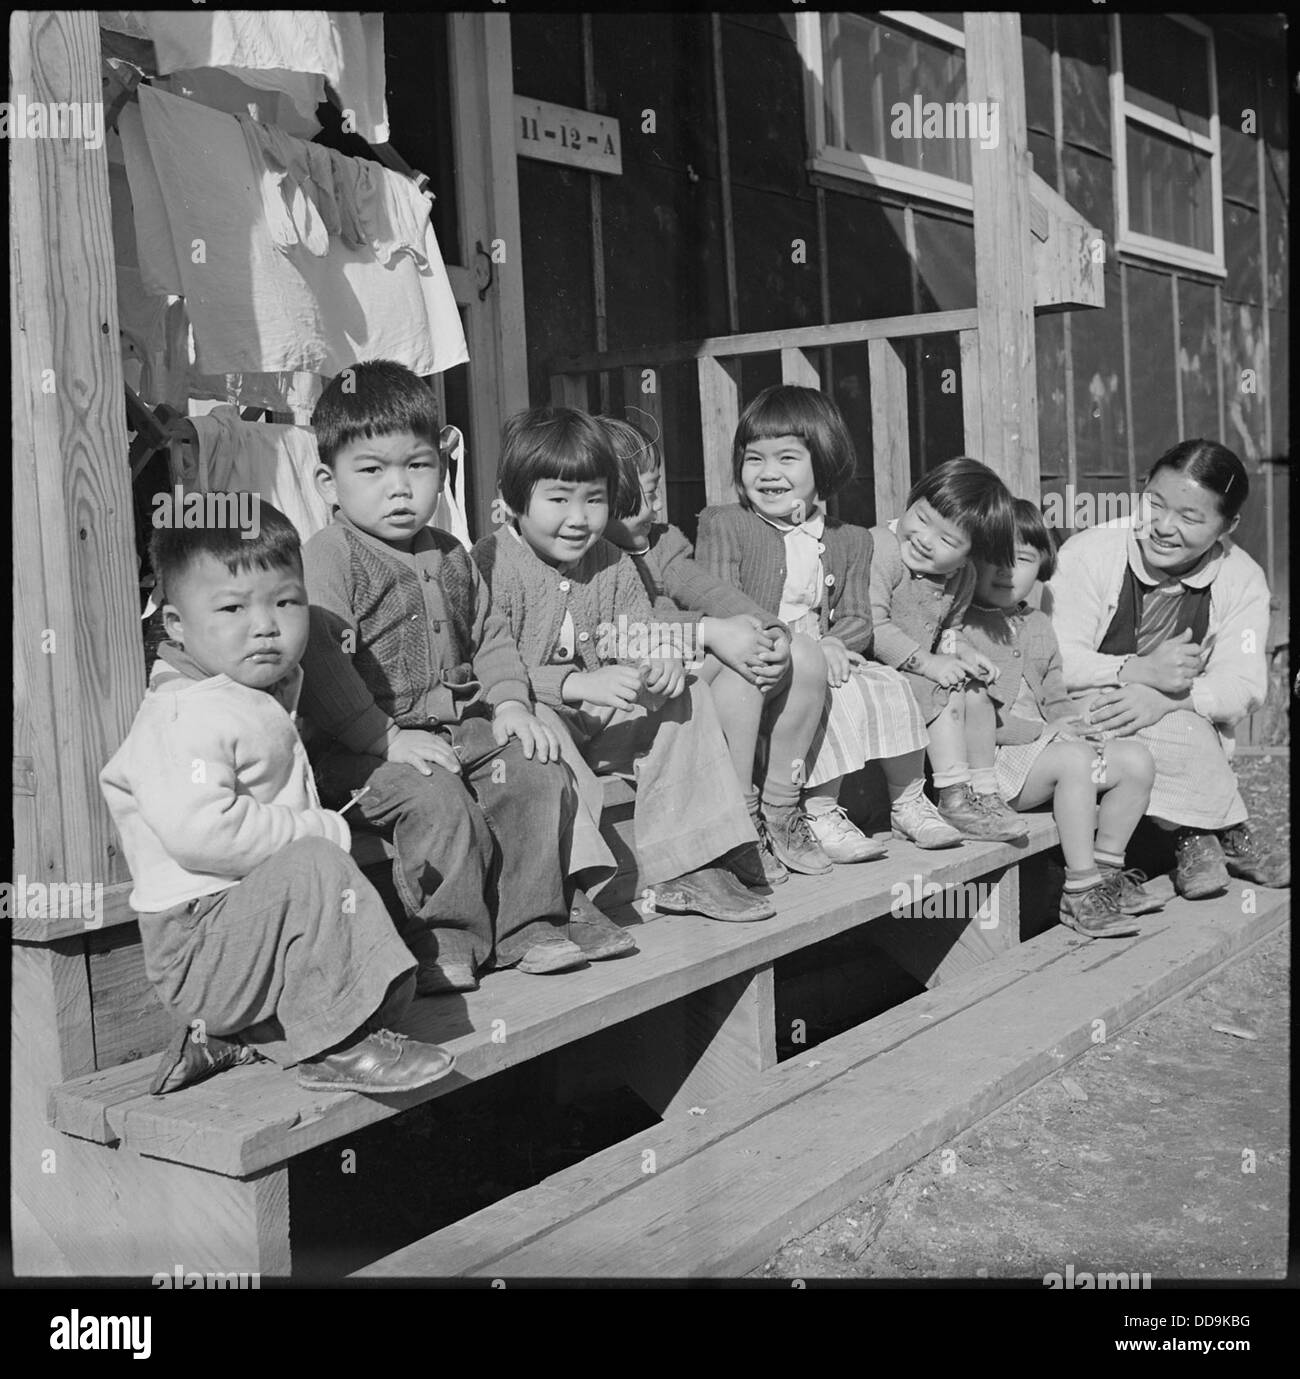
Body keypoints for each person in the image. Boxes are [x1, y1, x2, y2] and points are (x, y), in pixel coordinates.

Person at [298, 361, 633, 996]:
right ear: (327, 481)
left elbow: (490, 638)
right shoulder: (330, 555)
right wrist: (383, 738)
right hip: (355, 753)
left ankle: (530, 923)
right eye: (371, 470)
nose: (399, 490)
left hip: (456, 731)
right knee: (437, 799)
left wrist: (510, 704)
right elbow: (322, 660)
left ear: (442, 465)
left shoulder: (450, 550)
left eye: (417, 467)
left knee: (534, 770)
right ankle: (445, 936)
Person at [99, 501, 456, 1096]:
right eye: (233, 607)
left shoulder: (244, 690)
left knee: (380, 963)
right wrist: (321, 832)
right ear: (176, 625)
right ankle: (333, 1047)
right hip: (197, 947)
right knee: (317, 862)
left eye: (285, 603)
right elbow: (203, 831)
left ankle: (239, 1035)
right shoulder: (184, 714)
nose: (264, 625)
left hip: (244, 939)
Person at [472, 405, 776, 923]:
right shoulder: (491, 564)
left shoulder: (611, 561)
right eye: (558, 499)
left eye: (594, 500)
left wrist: (658, 660)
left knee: (686, 695)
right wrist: (574, 684)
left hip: (602, 718)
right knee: (537, 729)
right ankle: (572, 887)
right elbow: (488, 664)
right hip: (539, 714)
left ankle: (693, 865)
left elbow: (637, 627)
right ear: (513, 502)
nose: (578, 517)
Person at [695, 385, 933, 866]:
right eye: (754, 459)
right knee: (810, 666)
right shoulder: (726, 523)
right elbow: (719, 601)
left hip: (812, 656)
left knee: (881, 682)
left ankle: (896, 802)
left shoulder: (849, 540)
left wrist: (830, 641)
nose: (768, 473)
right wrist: (795, 643)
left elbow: (857, 620)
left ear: (822, 462)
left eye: (787, 458)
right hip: (748, 658)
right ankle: (780, 812)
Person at [1046, 439, 1289, 899]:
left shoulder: (1242, 579)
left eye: (1190, 518)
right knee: (1154, 716)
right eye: (1154, 504)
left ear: (1228, 525)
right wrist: (1136, 671)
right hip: (1087, 710)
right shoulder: (1090, 553)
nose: (1162, 526)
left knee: (1180, 715)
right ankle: (1213, 832)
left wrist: (1165, 698)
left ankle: (1201, 835)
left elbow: (1245, 686)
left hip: (1174, 720)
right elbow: (1057, 661)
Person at [600, 413, 794, 884]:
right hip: (628, 700)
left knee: (748, 663)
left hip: (672, 686)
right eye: (641, 498)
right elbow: (621, 631)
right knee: (727, 663)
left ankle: (745, 812)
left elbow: (706, 589)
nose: (657, 505)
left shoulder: (660, 546)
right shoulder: (594, 565)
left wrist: (766, 629)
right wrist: (708, 631)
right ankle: (734, 821)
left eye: (657, 487)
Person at [964, 500, 1161, 938]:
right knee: (1074, 762)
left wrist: (1074, 724)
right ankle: (1080, 891)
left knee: (1135, 760)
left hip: (1047, 756)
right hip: (993, 774)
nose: (1004, 570)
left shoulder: (1036, 623)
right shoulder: (960, 627)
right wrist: (1045, 733)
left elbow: (1055, 693)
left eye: (1021, 559)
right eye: (991, 557)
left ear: (1042, 567)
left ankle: (1108, 873)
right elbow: (971, 719)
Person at [869, 458, 1027, 844]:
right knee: (941, 686)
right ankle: (953, 795)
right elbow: (872, 626)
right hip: (872, 661)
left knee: (975, 689)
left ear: (971, 554)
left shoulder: (961, 575)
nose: (925, 539)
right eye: (921, 519)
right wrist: (929, 663)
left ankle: (984, 792)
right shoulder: (883, 548)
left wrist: (963, 652)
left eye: (948, 540)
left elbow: (948, 630)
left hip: (917, 663)